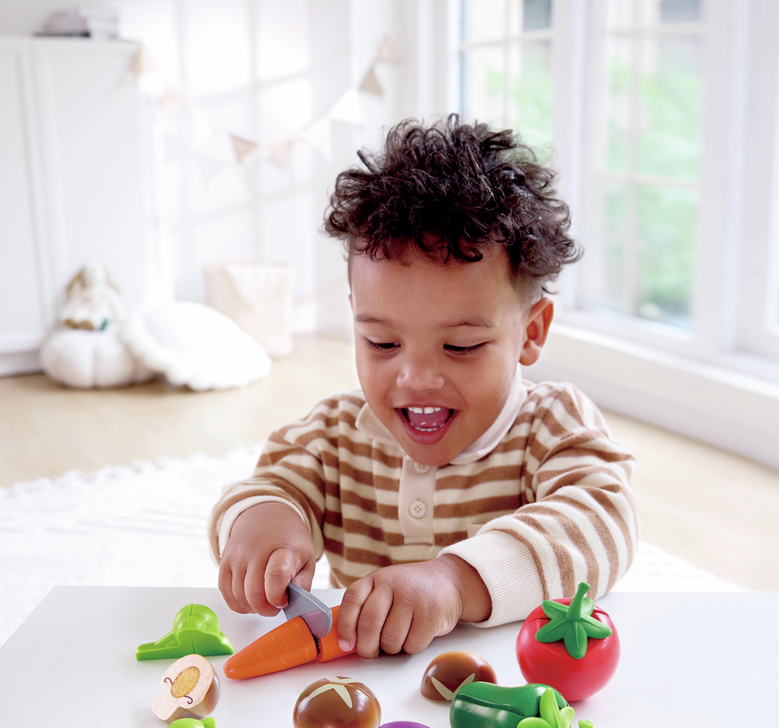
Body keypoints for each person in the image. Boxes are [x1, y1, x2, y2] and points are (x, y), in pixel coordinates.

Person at [210, 117, 637, 658]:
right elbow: (271, 486)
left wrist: (455, 582)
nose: (414, 379)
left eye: (459, 347)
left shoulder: (552, 425)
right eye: (382, 343)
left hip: (506, 689)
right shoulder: (332, 436)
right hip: (362, 701)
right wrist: (263, 524)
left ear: (531, 332)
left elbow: (601, 522)